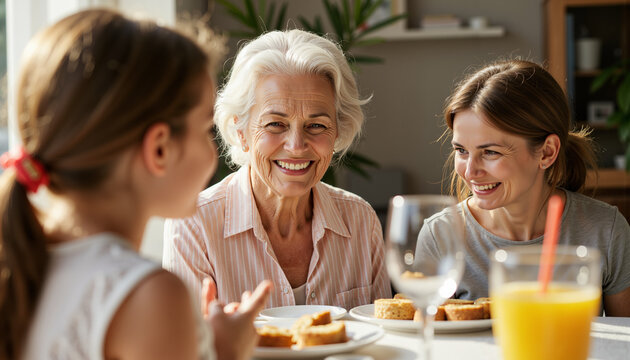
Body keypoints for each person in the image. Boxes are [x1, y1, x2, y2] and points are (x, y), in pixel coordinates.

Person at [0, 9, 272, 360]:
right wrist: (226, 350)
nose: (213, 153)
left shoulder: (20, 264)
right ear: (159, 148)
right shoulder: (150, 296)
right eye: (206, 129)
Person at [163, 29, 391, 310]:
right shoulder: (194, 225)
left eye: (316, 125)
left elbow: (384, 340)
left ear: (338, 132)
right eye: (275, 124)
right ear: (241, 131)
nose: (296, 146)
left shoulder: (361, 222)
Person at [418, 59, 630, 316]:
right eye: (461, 150)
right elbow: (429, 344)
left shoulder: (605, 231)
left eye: (491, 152)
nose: (470, 171)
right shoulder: (439, 236)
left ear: (547, 152)